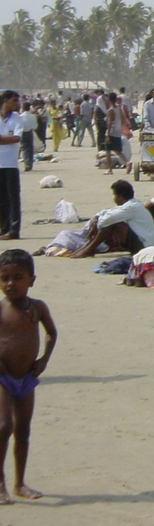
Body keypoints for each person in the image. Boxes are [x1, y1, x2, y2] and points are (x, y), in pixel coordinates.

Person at [0, 248, 57, 502]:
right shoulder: (1, 310)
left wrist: (44, 359)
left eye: (18, 277)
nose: (10, 284)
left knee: (23, 431)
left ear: (32, 280)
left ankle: (19, 484)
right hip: (2, 377)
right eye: (4, 278)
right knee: (4, 426)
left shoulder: (38, 308)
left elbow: (52, 333)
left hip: (26, 378)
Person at [70, 179, 154, 258]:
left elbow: (106, 220)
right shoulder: (131, 204)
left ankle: (89, 249)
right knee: (111, 220)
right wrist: (96, 217)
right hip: (141, 243)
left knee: (112, 223)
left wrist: (94, 226)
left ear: (120, 196)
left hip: (144, 246)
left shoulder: (131, 207)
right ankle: (88, 247)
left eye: (114, 195)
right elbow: (108, 212)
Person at [0, 93, 21, 242]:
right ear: (5, 100)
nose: (16, 103)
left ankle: (14, 230)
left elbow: (16, 138)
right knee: (2, 199)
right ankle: (4, 228)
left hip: (10, 164)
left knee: (13, 198)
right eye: (14, 100)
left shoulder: (17, 119)